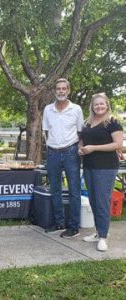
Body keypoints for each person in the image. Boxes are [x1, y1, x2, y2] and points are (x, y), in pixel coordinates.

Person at [79, 93, 123, 251]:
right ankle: (98, 232)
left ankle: (103, 237)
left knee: (102, 202)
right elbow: (83, 141)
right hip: (89, 167)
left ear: (107, 105)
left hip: (106, 167)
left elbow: (117, 144)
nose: (99, 106)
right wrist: (81, 149)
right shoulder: (87, 122)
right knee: (93, 201)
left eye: (101, 104)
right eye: (96, 104)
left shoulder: (112, 122)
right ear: (92, 106)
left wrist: (93, 148)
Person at [42, 78, 84, 238]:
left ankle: (74, 227)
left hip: (71, 152)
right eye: (58, 88)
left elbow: (80, 132)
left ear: (68, 90)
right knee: (55, 189)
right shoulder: (47, 110)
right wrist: (52, 146)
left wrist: (77, 148)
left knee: (74, 190)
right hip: (52, 152)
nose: (61, 91)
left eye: (64, 88)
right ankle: (59, 223)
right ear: (54, 91)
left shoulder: (76, 109)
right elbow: (46, 131)